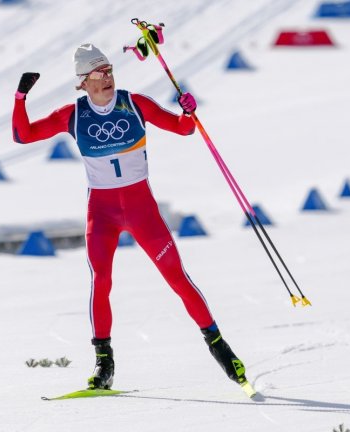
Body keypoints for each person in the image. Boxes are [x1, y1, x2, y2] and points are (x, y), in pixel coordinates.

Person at [12, 43, 248, 390]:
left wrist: (188, 111)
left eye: (109, 70)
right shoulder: (72, 115)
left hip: (142, 210)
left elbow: (183, 129)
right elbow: (23, 134)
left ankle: (219, 346)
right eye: (98, 73)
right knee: (101, 282)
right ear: (83, 81)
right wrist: (20, 97)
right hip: (103, 213)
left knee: (176, 277)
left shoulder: (135, 104)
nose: (106, 78)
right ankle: (103, 363)